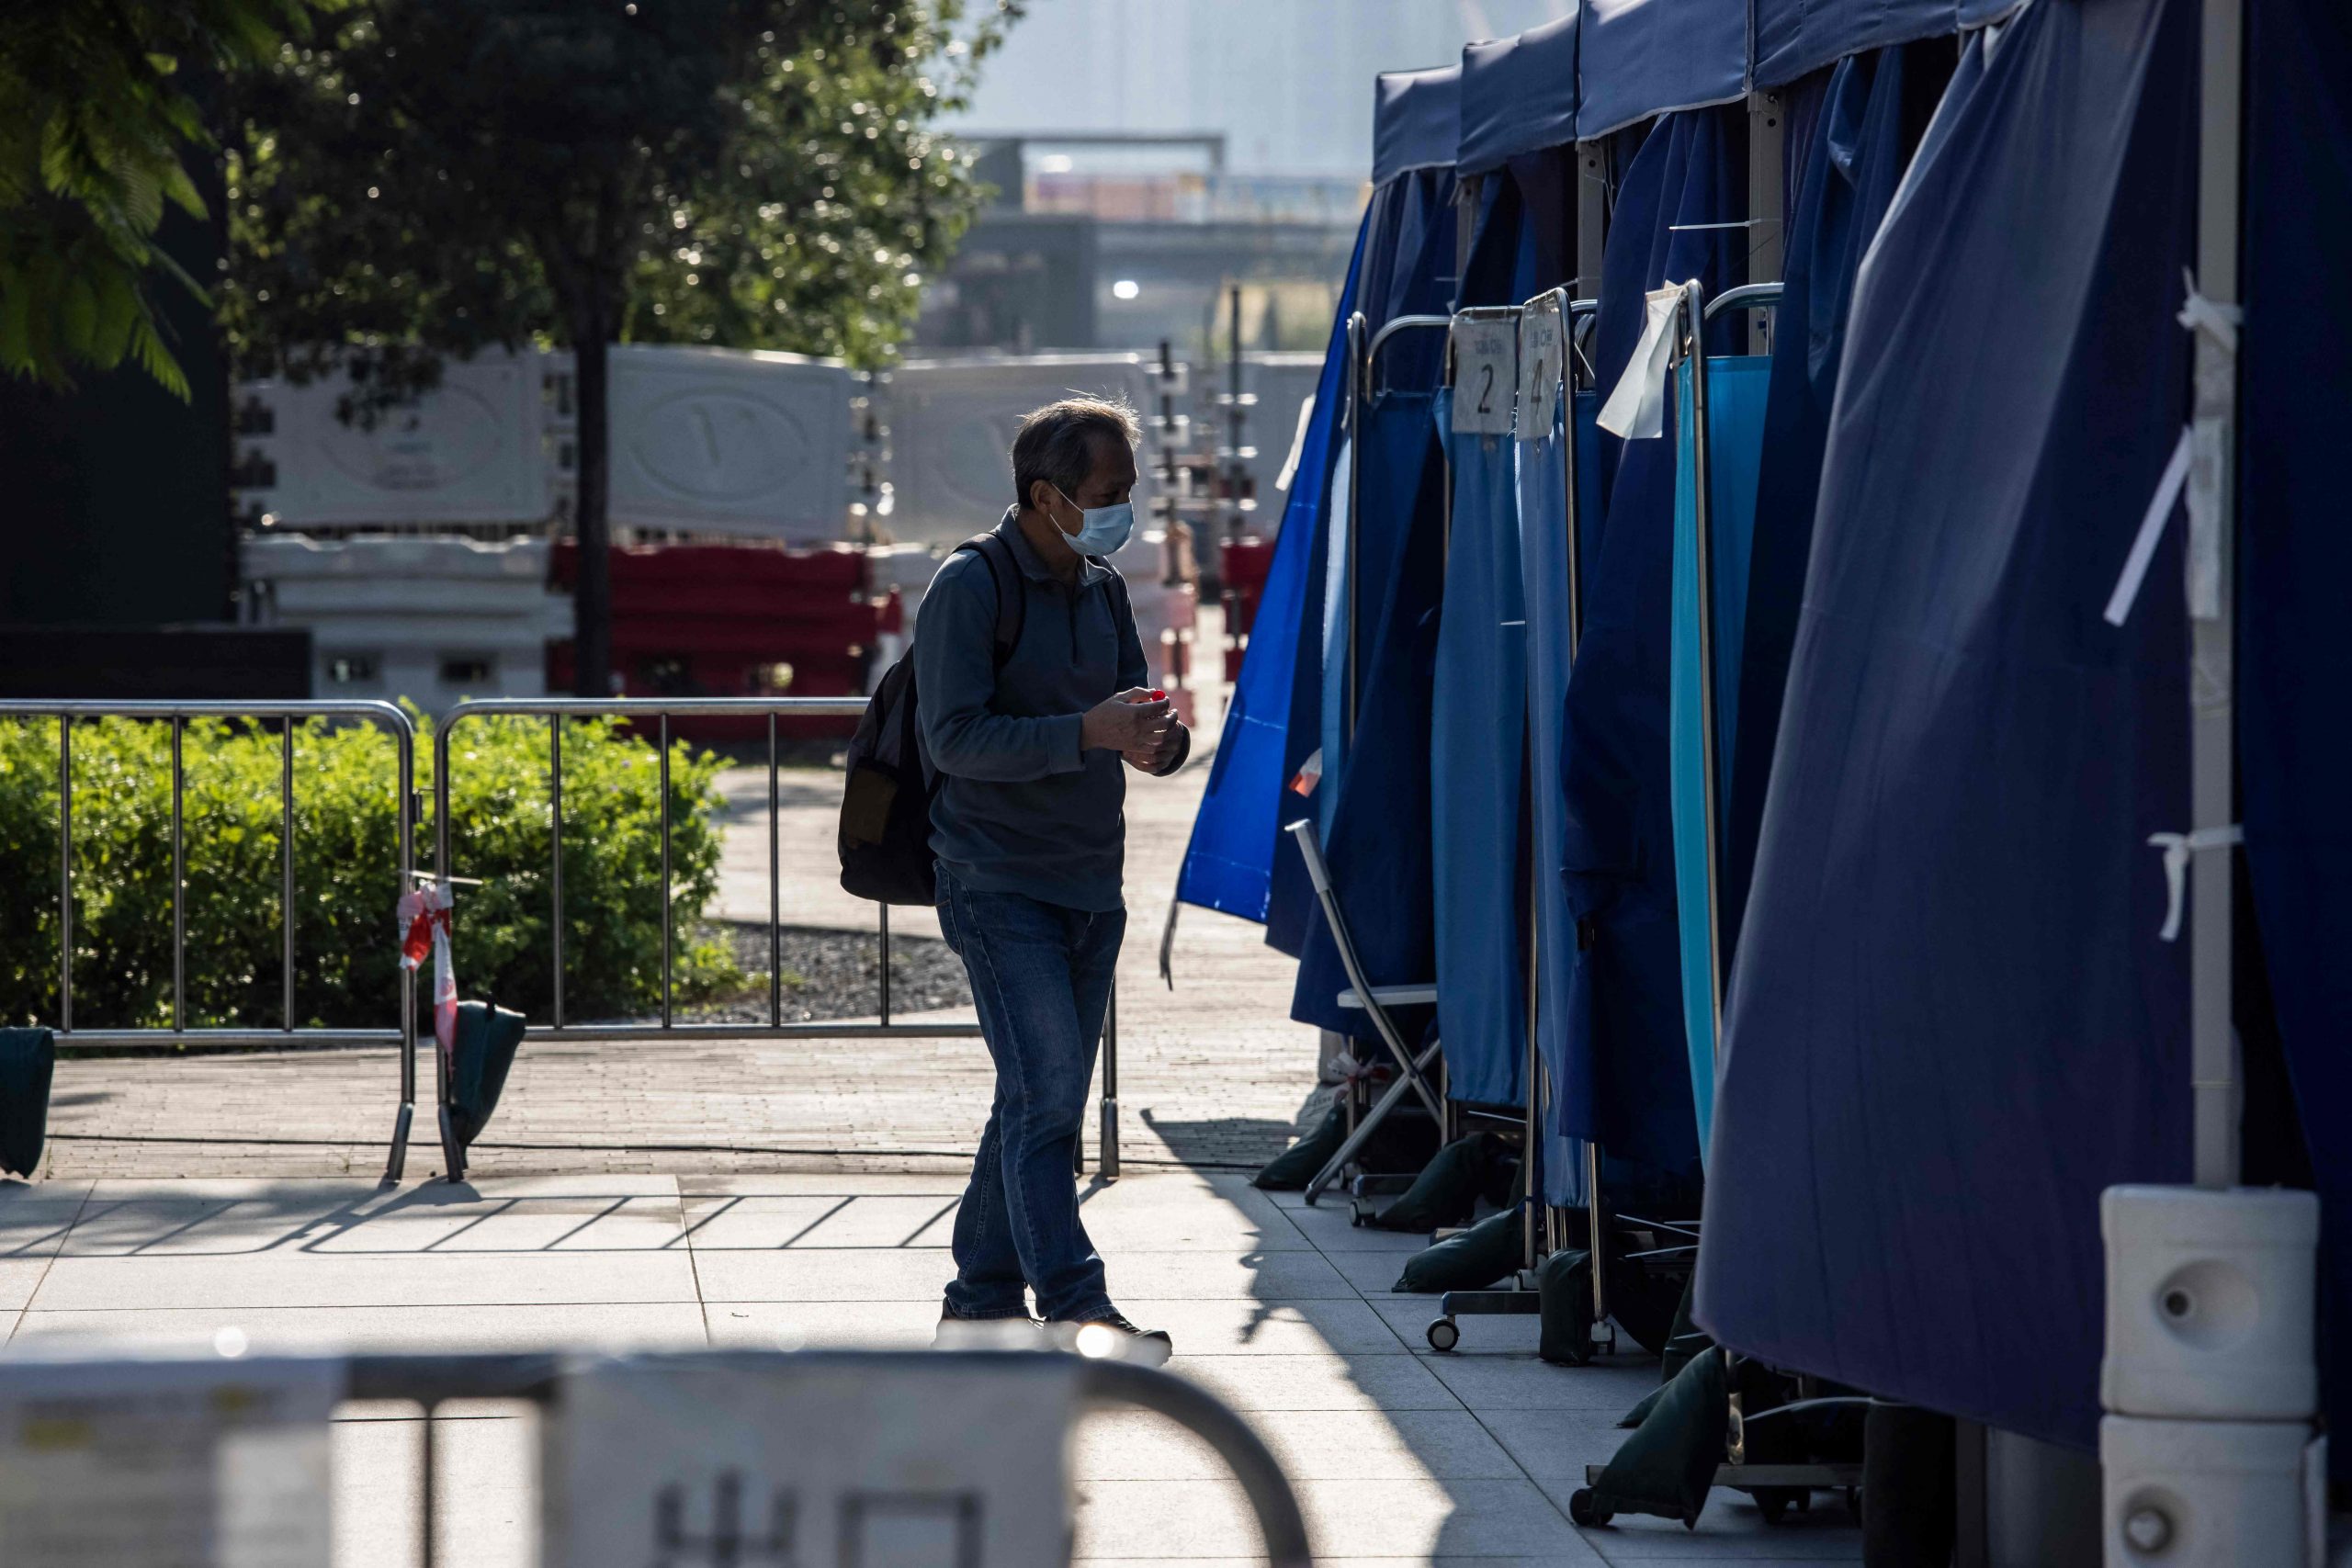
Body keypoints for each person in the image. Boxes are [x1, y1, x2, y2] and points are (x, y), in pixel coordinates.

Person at [915, 397, 1188, 1361]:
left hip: (1088, 883)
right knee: (1047, 1097)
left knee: (1034, 1095)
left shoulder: (1102, 587)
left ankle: (980, 1300)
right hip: (995, 881)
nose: (1125, 510)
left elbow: (1132, 709)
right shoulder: (970, 587)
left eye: (1128, 490)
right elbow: (951, 740)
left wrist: (1159, 741)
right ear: (1047, 495)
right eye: (1109, 494)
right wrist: (1087, 732)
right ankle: (1076, 1302)